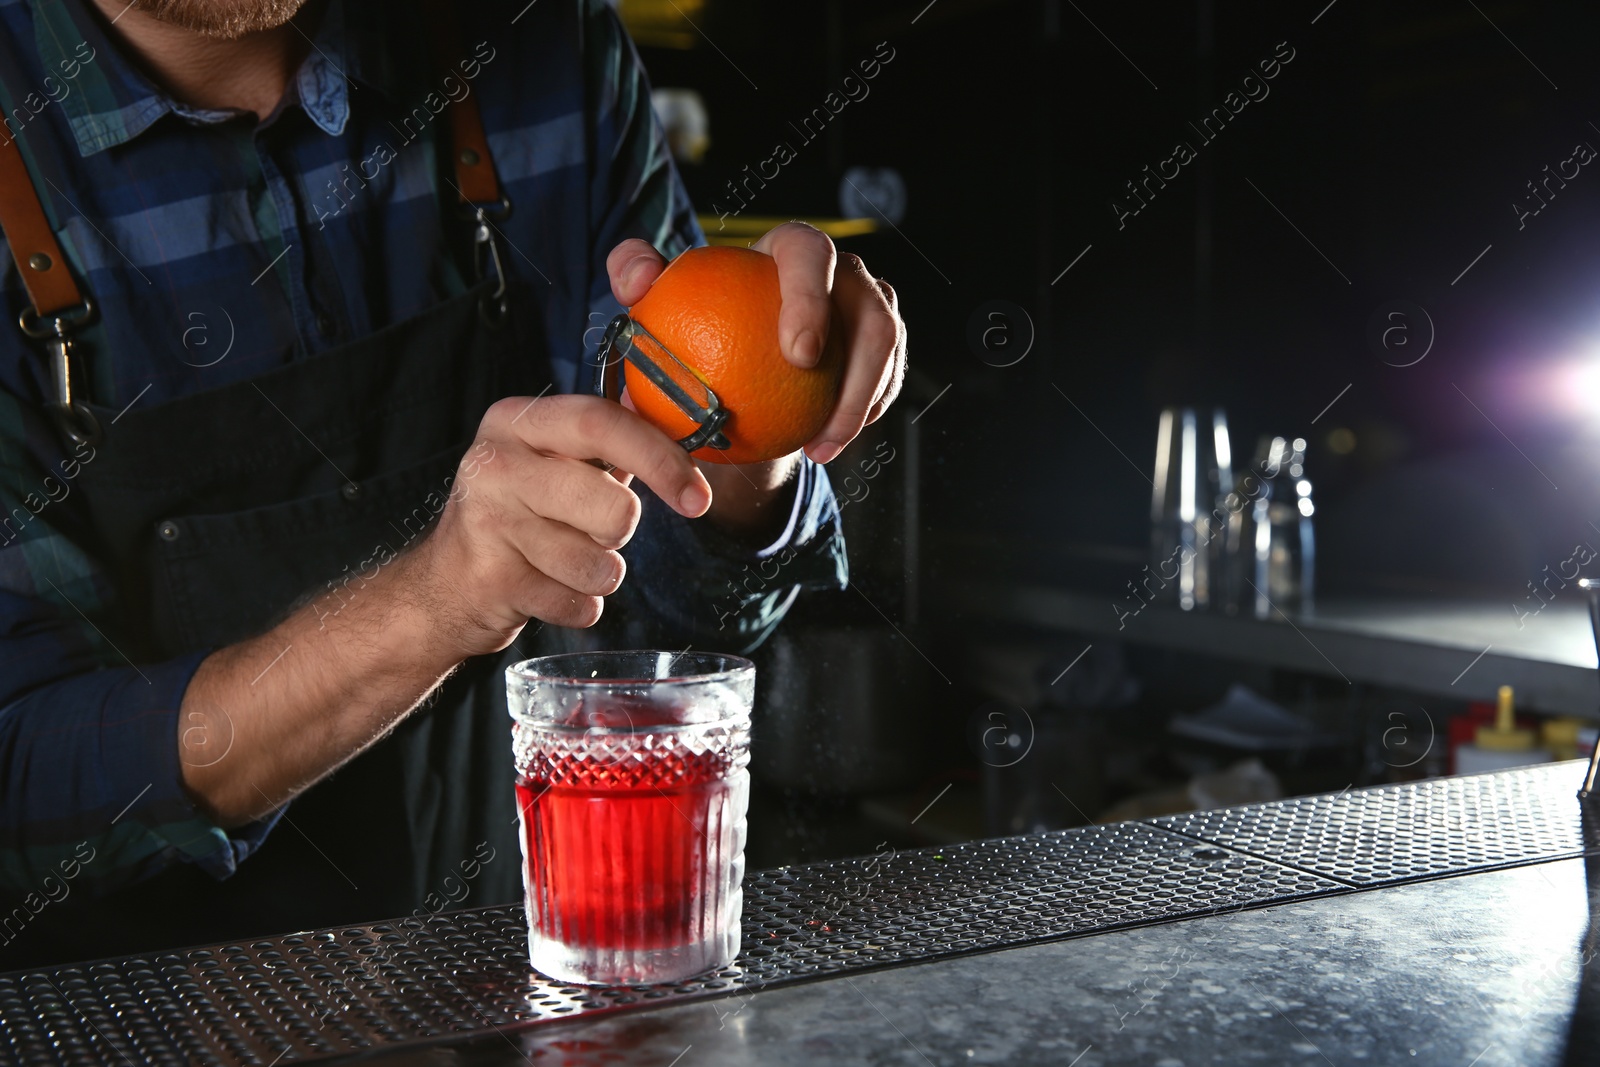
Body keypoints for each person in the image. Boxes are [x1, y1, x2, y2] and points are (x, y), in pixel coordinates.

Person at [0, 0, 906, 968]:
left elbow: (678, 609)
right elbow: (21, 782)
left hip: (520, 988)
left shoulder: (541, 40)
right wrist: (430, 602)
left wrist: (761, 413)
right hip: (155, 1017)